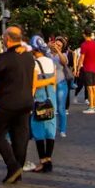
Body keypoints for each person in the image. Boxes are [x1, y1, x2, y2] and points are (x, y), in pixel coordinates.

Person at [0, 27, 37, 184]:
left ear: (7, 39)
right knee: (20, 137)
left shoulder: (5, 58)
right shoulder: (28, 56)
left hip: (7, 103)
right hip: (26, 102)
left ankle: (13, 166)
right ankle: (17, 171)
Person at [27, 36, 59, 173]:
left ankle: (42, 161)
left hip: (39, 99)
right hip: (51, 98)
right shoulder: (51, 61)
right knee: (50, 131)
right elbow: (54, 82)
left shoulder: (34, 64)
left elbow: (34, 84)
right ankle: (49, 160)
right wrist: (51, 80)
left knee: (39, 131)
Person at [78, 29, 95, 113]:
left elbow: (82, 58)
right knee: (94, 88)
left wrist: (78, 68)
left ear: (84, 35)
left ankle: (91, 107)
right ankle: (94, 106)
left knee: (89, 88)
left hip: (87, 68)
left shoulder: (84, 45)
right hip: (94, 68)